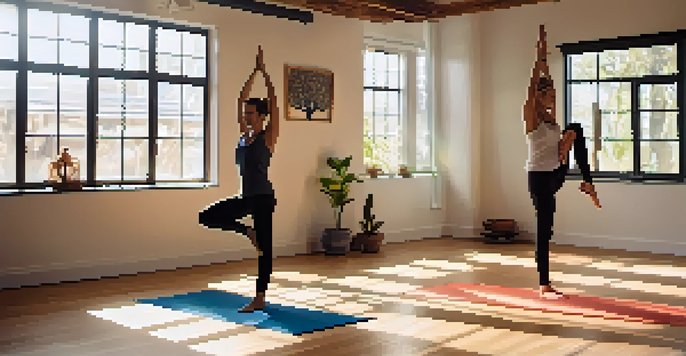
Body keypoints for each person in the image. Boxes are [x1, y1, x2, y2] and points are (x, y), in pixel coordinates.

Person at [199, 46, 279, 312]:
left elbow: (274, 103)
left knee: (264, 250)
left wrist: (265, 74)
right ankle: (248, 231)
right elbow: (239, 100)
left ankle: (259, 297)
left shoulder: (268, 137)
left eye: (250, 114)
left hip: (263, 198)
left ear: (261, 116)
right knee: (207, 216)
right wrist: (252, 72)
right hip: (246, 196)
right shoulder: (244, 136)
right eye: (245, 114)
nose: (245, 117)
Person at [523, 25, 601, 299]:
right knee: (545, 229)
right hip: (540, 181)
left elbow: (549, 85)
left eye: (554, 96)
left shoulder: (552, 119)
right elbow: (533, 89)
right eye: (548, 96)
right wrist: (537, 61)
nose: (553, 99)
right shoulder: (531, 118)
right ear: (539, 98)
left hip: (557, 172)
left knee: (574, 128)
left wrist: (546, 63)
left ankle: (587, 182)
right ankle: (544, 283)